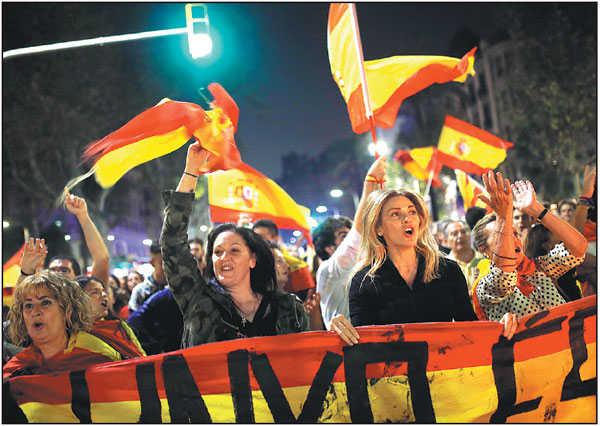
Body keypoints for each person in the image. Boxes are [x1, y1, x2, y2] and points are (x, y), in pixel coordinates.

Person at [160, 142, 309, 348]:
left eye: (235, 250)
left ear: (253, 259)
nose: (224, 257)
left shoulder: (288, 308)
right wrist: (191, 171)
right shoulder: (197, 299)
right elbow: (172, 242)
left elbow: (305, 361)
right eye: (217, 252)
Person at [331, 188, 517, 346]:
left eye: (412, 212)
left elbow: (469, 328)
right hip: (394, 384)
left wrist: (498, 327)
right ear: (378, 228)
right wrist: (338, 332)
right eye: (396, 214)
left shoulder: (447, 270)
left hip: (447, 379)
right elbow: (361, 345)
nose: (407, 219)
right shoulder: (363, 281)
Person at [472, 171, 587, 321]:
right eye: (502, 235)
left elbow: (578, 248)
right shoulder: (486, 286)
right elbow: (503, 273)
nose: (512, 239)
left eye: (514, 233)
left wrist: (537, 210)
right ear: (484, 251)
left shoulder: (538, 268)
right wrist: (503, 217)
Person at [3, 271, 145, 381]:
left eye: (45, 302)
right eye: (28, 305)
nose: (35, 312)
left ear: (67, 310)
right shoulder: (17, 368)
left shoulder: (98, 356)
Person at [313, 155, 386, 330]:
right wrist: (370, 183)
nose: (352, 241)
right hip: (345, 351)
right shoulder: (328, 271)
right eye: (343, 236)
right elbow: (357, 238)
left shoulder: (370, 265)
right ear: (329, 248)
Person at [523, 225, 581, 301]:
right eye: (560, 244)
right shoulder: (547, 264)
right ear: (546, 246)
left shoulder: (535, 265)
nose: (560, 235)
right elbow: (578, 247)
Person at [445, 220, 485, 294]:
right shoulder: (445, 268)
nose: (460, 236)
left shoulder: (484, 260)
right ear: (445, 241)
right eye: (454, 234)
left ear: (471, 235)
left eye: (463, 232)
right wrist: (472, 291)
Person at [128, 242, 167, 312]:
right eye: (163, 263)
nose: (168, 267)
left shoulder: (180, 286)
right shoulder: (140, 291)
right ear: (152, 263)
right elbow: (135, 320)